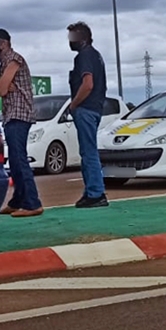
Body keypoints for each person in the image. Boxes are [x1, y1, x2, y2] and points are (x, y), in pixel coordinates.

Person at [0, 28, 43, 217]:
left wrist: (4, 86)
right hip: (11, 115)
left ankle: (33, 203)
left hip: (18, 114)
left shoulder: (14, 59)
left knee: (19, 159)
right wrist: (3, 87)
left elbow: (0, 89)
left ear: (4, 42)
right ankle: (18, 200)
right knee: (15, 161)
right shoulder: (4, 63)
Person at [66, 21, 109, 208]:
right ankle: (91, 191)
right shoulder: (96, 55)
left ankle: (96, 193)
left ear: (82, 38)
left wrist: (74, 104)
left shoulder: (84, 56)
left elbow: (88, 84)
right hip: (95, 108)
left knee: (88, 152)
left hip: (86, 109)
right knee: (88, 151)